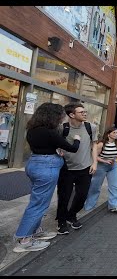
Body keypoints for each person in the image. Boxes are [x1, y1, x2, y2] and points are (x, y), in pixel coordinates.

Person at [13, 103, 80, 253]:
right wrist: (77, 139)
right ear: (53, 115)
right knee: (38, 205)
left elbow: (44, 146)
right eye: (60, 115)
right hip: (46, 168)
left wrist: (55, 149)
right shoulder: (50, 132)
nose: (62, 118)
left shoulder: (32, 130)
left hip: (34, 164)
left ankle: (35, 231)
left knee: (37, 201)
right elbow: (73, 148)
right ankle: (24, 239)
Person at [56, 103, 98, 235]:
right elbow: (55, 144)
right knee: (64, 196)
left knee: (82, 196)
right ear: (71, 115)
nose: (85, 114)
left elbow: (94, 146)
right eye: (81, 112)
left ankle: (71, 215)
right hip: (67, 168)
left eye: (85, 112)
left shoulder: (91, 127)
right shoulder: (62, 128)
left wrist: (95, 163)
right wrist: (57, 150)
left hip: (86, 168)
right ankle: (61, 221)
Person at [84, 127, 117, 212]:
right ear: (108, 134)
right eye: (114, 132)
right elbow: (94, 156)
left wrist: (113, 160)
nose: (116, 134)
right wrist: (104, 160)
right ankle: (89, 205)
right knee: (95, 186)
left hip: (113, 166)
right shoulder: (101, 144)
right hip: (101, 166)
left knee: (116, 186)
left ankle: (115, 205)